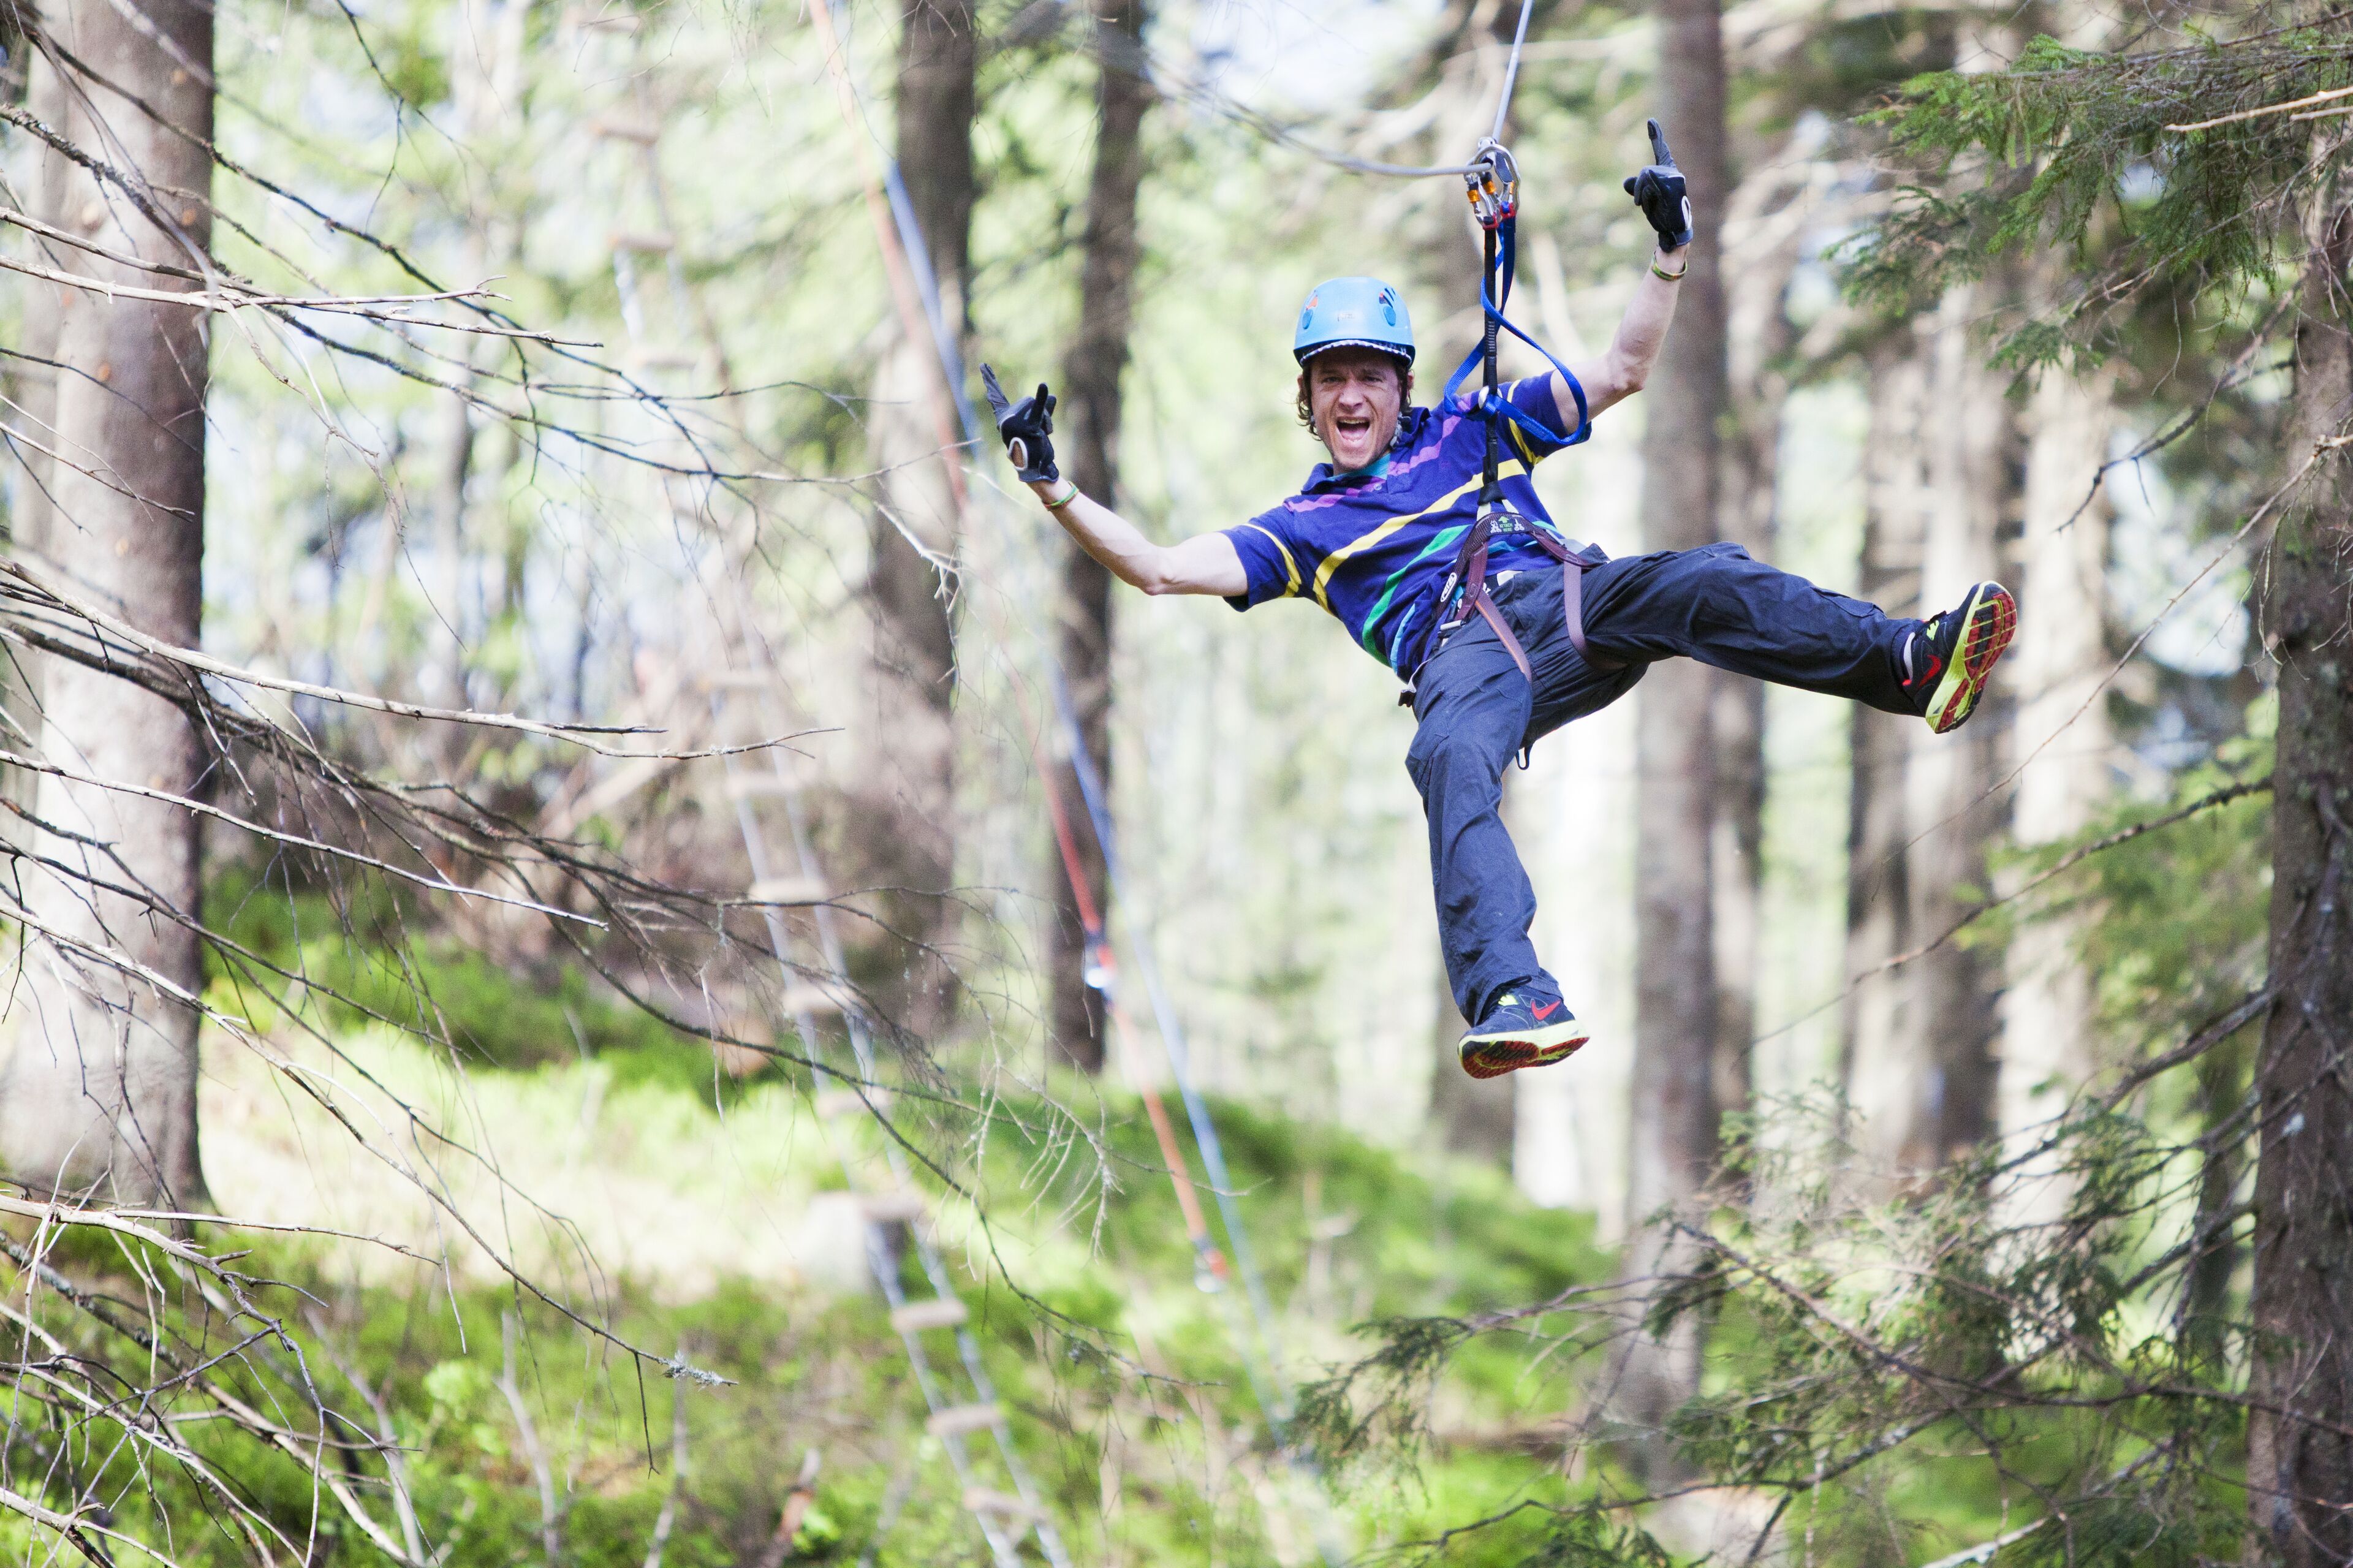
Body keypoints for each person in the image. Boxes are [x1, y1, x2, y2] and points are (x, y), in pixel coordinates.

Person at [980, 129, 2017, 1084]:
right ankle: (1514, 992)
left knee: (1704, 577)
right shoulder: (1300, 529)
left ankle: (1910, 666)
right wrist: (1051, 487)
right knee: (1445, 755)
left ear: (1399, 388)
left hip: (1567, 598)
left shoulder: (1473, 428)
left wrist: (1669, 252)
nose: (1350, 397)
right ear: (1308, 400)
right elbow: (1158, 567)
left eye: (1368, 378)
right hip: (1464, 657)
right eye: (1331, 380)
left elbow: (1621, 371)